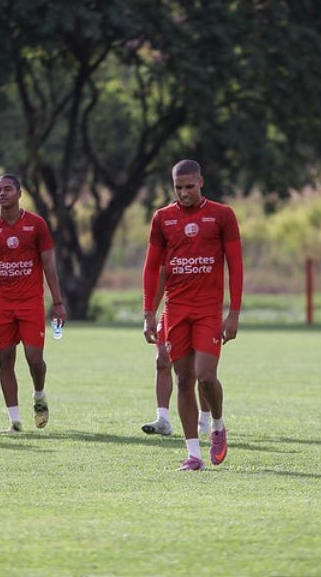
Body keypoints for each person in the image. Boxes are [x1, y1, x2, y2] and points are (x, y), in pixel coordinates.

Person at [142, 159, 243, 471]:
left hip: (209, 310)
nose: (184, 193)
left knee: (205, 375)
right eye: (178, 188)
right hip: (176, 309)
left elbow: (235, 265)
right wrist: (148, 312)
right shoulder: (163, 219)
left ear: (201, 182)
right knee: (183, 379)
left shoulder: (222, 215)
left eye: (189, 186)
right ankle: (193, 455)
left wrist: (234, 312)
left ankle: (217, 424)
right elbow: (151, 268)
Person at [0, 174, 66, 432]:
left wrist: (58, 302)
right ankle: (14, 421)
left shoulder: (36, 225)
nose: (2, 193)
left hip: (31, 302)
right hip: (2, 303)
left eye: (7, 189)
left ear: (19, 193)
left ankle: (39, 395)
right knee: (5, 359)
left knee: (34, 358)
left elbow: (49, 264)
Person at [140, 267, 215, 437]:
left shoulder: (205, 247)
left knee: (200, 370)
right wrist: (150, 313)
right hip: (173, 312)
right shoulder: (169, 247)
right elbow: (160, 277)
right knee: (161, 361)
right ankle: (163, 419)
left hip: (201, 314)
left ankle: (204, 420)